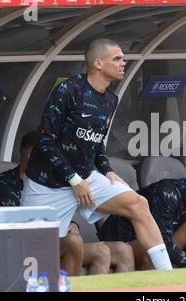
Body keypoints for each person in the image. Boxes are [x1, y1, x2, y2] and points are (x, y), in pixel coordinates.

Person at [21, 38, 172, 270]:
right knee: (31, 254)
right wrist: (73, 180)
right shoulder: (68, 90)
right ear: (98, 63)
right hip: (47, 185)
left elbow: (97, 142)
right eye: (117, 58)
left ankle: (166, 275)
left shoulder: (111, 99)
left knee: (138, 204)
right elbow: (45, 139)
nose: (124, 63)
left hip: (86, 178)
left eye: (123, 58)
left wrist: (107, 170)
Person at [0, 132, 133, 275]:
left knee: (115, 251)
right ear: (33, 158)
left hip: (42, 244)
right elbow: (17, 235)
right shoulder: (3, 186)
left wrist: (71, 225)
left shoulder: (48, 183)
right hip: (0, 252)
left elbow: (52, 215)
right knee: (72, 242)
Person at [98, 167, 186, 270]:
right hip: (120, 243)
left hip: (154, 242)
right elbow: (160, 243)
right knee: (155, 252)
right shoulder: (167, 193)